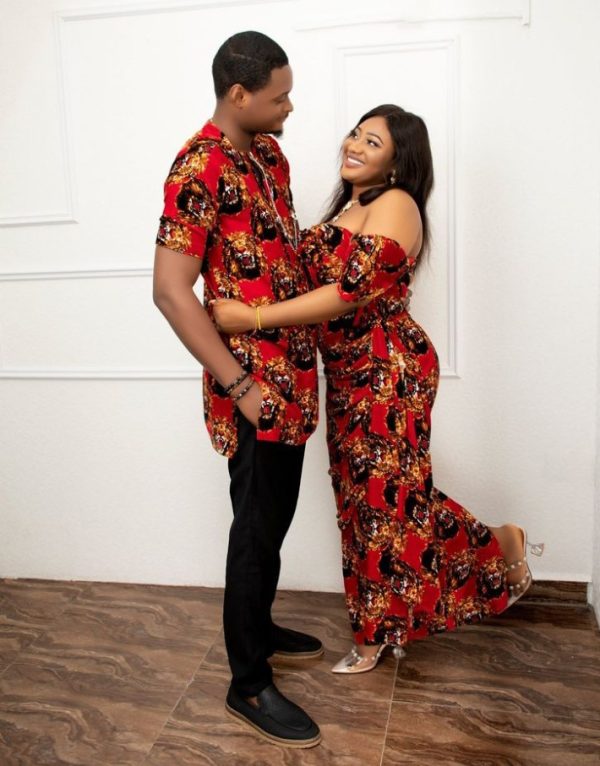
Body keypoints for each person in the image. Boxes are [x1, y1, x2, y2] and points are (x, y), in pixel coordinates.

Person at [212, 103, 545, 674]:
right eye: (355, 134)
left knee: (384, 501)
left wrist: (255, 318)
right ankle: (496, 544)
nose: (354, 145)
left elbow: (349, 294)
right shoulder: (350, 208)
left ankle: (374, 635)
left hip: (389, 366)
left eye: (373, 142)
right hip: (346, 372)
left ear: (397, 163)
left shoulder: (398, 204)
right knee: (365, 503)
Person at [153, 31, 322, 747]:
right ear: (238, 94)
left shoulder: (270, 156)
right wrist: (242, 383)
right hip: (253, 387)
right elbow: (171, 291)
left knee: (271, 521)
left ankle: (258, 625)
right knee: (253, 530)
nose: (290, 106)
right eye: (279, 96)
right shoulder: (197, 168)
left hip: (295, 376)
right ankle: (247, 681)